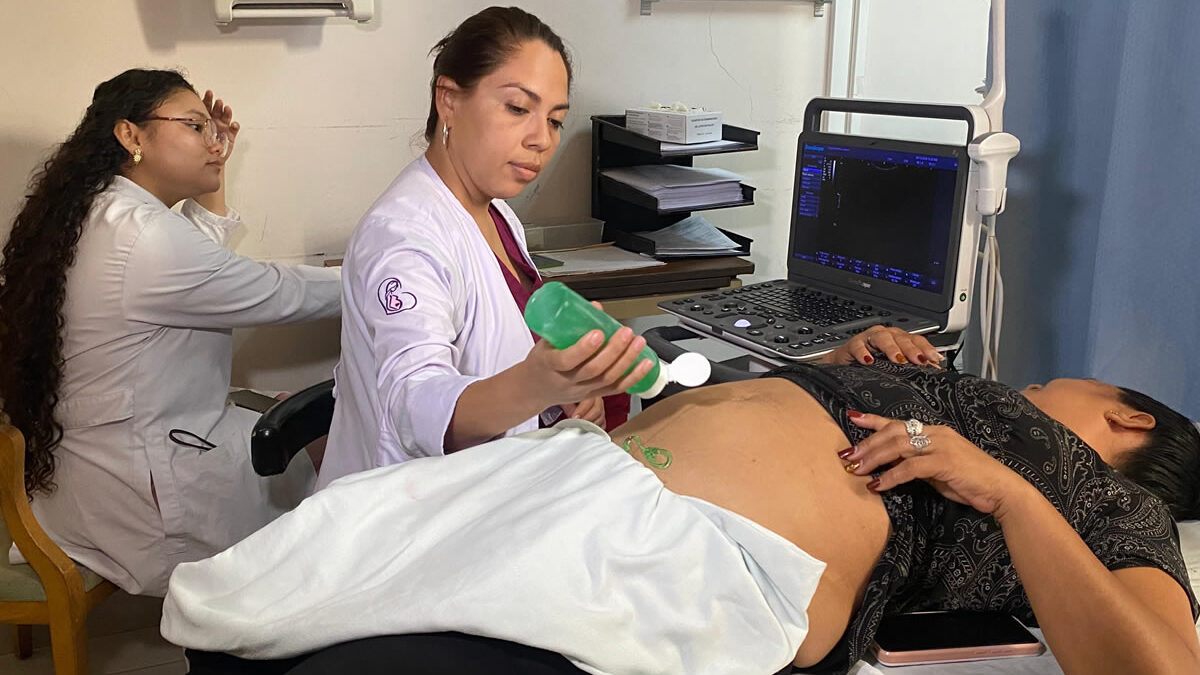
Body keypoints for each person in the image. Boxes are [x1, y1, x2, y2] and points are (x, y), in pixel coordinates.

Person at [163, 325, 1200, 674]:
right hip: (584, 478)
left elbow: (1161, 666)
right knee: (257, 607)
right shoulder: (978, 400)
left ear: (1131, 418)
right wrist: (835, 373)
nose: (1043, 382)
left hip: (697, 550)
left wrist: (1009, 492)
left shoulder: (1106, 501)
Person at [0, 69, 342, 596]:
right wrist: (388, 276)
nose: (214, 141)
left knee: (283, 407)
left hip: (85, 475)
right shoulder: (145, 237)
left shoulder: (101, 211)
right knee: (323, 432)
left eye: (214, 131)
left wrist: (213, 168)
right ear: (130, 135)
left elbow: (194, 268)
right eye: (195, 126)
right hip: (144, 498)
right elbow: (278, 291)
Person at [317, 6, 649, 487]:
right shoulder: (404, 237)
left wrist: (566, 394)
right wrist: (538, 385)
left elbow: (507, 351)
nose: (541, 140)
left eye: (555, 120)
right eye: (517, 109)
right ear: (449, 100)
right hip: (412, 514)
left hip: (502, 485)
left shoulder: (494, 213)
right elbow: (415, 403)